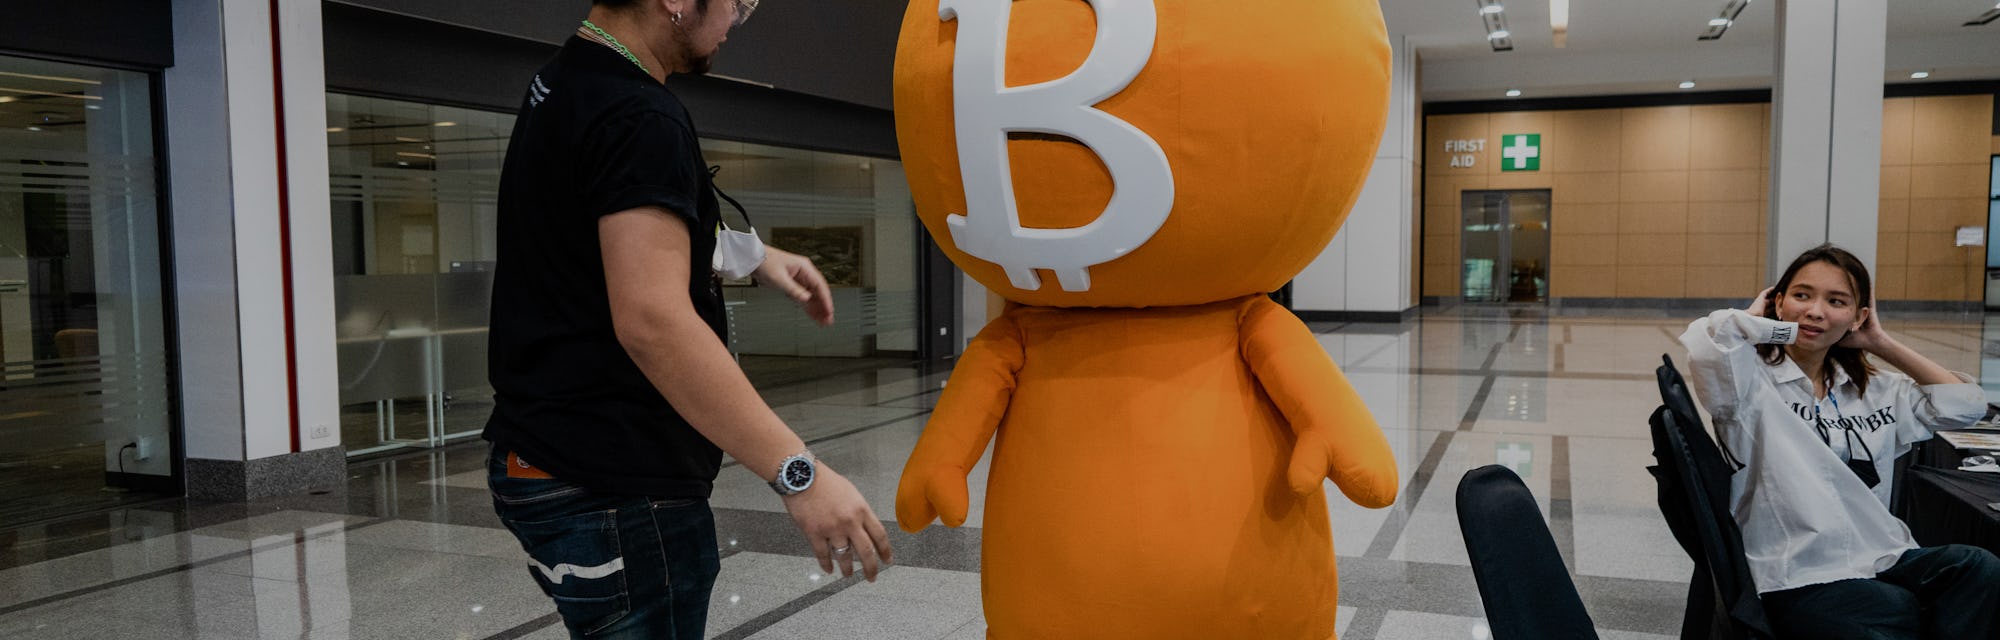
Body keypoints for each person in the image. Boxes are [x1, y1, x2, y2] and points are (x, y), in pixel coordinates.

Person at [481, 0, 893, 637]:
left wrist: (756, 257)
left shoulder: (566, 80)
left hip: (543, 456)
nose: (736, 21)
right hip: (614, 485)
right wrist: (798, 474)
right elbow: (653, 320)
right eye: (737, 3)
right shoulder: (640, 113)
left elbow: (599, 235)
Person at [1680, 243, 2000, 639]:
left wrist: (1878, 342)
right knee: (1894, 615)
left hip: (1878, 555)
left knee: (1978, 568)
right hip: (1795, 570)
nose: (1816, 311)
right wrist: (1769, 324)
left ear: (1858, 316)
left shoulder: (1875, 390)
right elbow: (1711, 340)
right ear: (1777, 302)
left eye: (1836, 301)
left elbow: (1966, 407)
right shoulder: (1747, 386)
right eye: (1801, 296)